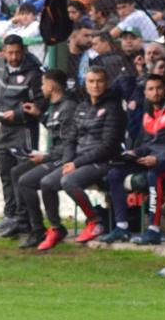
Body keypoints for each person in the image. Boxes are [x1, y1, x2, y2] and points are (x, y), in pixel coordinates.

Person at [101, 74, 165, 245]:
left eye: (159, 88)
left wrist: (158, 158)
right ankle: (122, 227)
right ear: (145, 93)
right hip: (150, 159)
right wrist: (134, 153)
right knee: (115, 173)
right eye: (151, 89)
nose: (156, 92)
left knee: (154, 175)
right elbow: (148, 144)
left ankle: (154, 230)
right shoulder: (148, 113)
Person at [48, 66, 126, 243]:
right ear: (85, 83)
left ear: (106, 83)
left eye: (100, 81)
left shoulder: (114, 108)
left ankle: (95, 222)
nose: (96, 85)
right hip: (79, 161)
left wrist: (76, 163)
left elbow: (108, 146)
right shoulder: (82, 106)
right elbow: (70, 139)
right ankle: (55, 228)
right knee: (47, 183)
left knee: (69, 181)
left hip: (105, 161)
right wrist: (67, 161)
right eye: (91, 81)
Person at [0, 35, 42, 238]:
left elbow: (41, 103)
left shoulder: (34, 73)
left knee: (21, 175)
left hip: (24, 129)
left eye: (17, 52)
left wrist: (19, 114)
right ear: (3, 52)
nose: (13, 57)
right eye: (9, 52)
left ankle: (24, 221)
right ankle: (10, 215)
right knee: (6, 174)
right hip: (3, 128)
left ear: (23, 51)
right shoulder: (0, 66)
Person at [14, 69, 78, 249]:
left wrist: (46, 156)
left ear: (51, 85)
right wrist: (39, 115)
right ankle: (26, 223)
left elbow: (68, 144)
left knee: (29, 181)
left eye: (43, 83)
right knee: (18, 173)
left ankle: (48, 228)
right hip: (55, 155)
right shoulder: (56, 106)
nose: (41, 87)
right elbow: (55, 128)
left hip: (66, 158)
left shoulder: (68, 107)